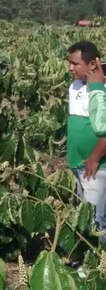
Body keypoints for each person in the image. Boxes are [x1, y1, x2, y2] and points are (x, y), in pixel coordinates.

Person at [67, 41, 106, 241]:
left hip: (96, 167)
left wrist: (94, 157)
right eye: (69, 63)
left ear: (92, 65)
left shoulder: (102, 88)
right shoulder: (74, 86)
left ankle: (98, 264)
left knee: (97, 220)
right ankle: (85, 260)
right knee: (82, 215)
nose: (70, 68)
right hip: (78, 164)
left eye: (75, 63)